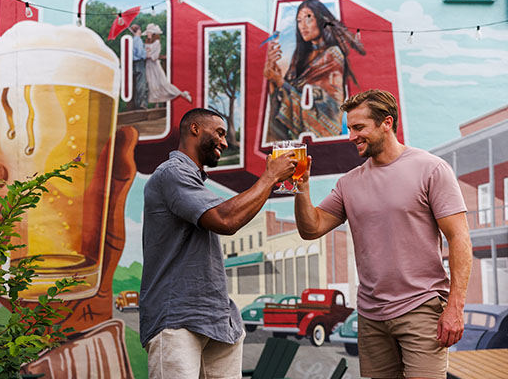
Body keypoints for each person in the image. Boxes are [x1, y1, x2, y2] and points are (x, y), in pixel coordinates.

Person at [294, 89, 472, 379]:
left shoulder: (431, 168)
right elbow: (311, 229)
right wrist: (301, 187)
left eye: (359, 127)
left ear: (386, 123)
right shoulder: (349, 183)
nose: (351, 136)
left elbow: (459, 239)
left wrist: (454, 306)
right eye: (349, 128)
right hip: (371, 317)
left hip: (421, 308)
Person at [140, 108, 296, 378]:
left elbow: (229, 216)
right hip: (178, 320)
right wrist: (269, 177)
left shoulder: (194, 182)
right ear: (195, 129)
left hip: (218, 321)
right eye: (220, 133)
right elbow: (226, 220)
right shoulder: (172, 174)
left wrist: (273, 181)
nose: (225, 142)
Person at [264, 0, 365, 141]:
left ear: (321, 20)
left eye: (308, 18)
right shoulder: (300, 57)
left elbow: (327, 106)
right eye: (299, 21)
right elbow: (285, 94)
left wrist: (279, 81)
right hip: (293, 135)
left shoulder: (333, 55)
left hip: (320, 136)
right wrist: (274, 78)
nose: (302, 26)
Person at [143, 23, 192, 103]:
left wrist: (148, 55)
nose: (148, 34)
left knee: (163, 83)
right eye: (147, 33)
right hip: (148, 65)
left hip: (154, 65)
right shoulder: (147, 42)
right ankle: (154, 100)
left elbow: (155, 55)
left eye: (149, 32)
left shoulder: (157, 43)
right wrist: (145, 53)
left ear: (153, 33)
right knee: (151, 83)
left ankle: (181, 94)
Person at [130, 24, 148, 109]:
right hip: (139, 62)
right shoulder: (138, 40)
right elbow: (141, 54)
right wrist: (146, 52)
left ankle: (137, 103)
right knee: (141, 83)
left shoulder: (132, 40)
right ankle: (140, 104)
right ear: (138, 31)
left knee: (136, 83)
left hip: (133, 63)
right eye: (140, 30)